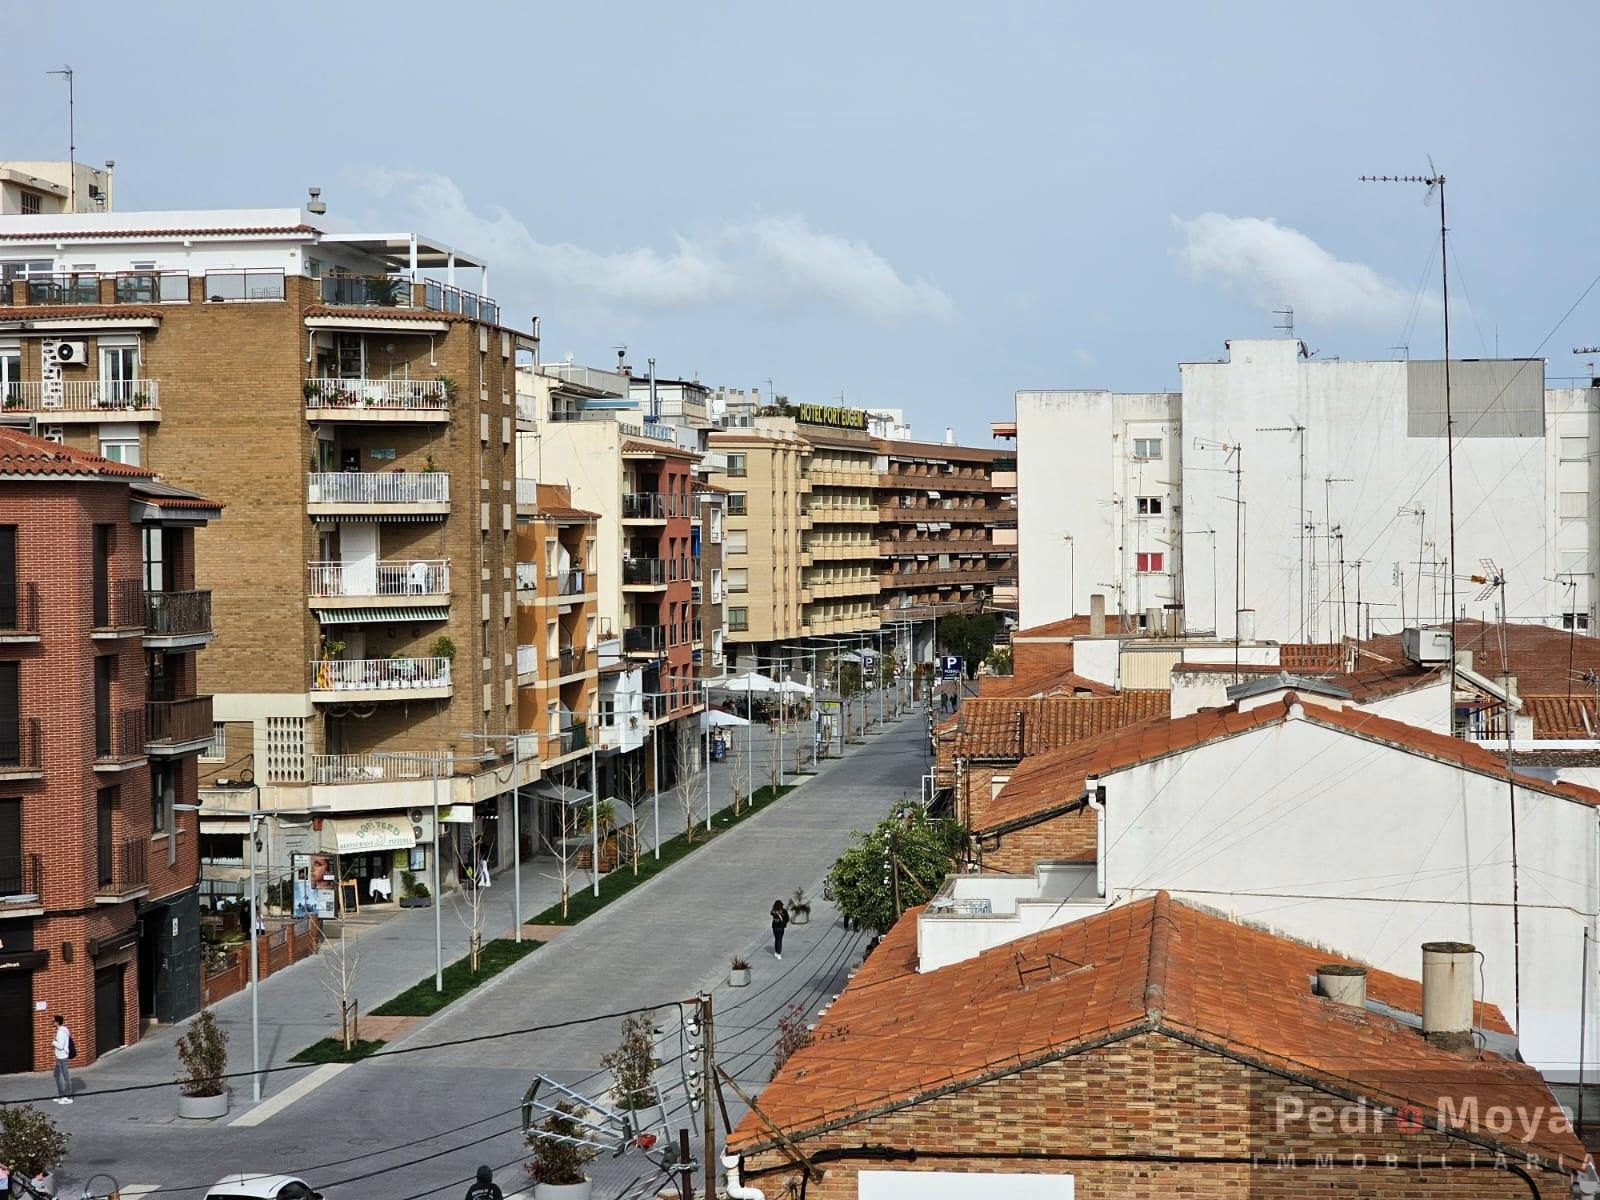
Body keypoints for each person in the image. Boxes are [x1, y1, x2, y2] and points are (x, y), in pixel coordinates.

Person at [50, 1015, 72, 1104]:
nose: (52, 1022)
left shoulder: (61, 1032)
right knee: (56, 1074)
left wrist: (53, 1042)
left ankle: (69, 1097)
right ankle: (61, 1095)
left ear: (57, 1022)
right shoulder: (60, 1031)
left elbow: (61, 1046)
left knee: (65, 1076)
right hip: (59, 1057)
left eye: (53, 1021)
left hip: (62, 1057)